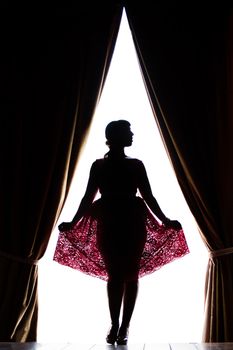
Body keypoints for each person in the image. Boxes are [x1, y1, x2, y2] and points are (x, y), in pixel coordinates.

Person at [54, 119, 189, 345]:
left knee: (131, 274)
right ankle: (115, 324)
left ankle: (124, 326)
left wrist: (165, 220)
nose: (133, 134)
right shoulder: (99, 166)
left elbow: (148, 196)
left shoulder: (137, 165)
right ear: (116, 136)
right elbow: (88, 197)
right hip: (109, 221)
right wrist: (73, 221)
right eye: (128, 131)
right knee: (115, 275)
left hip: (132, 221)